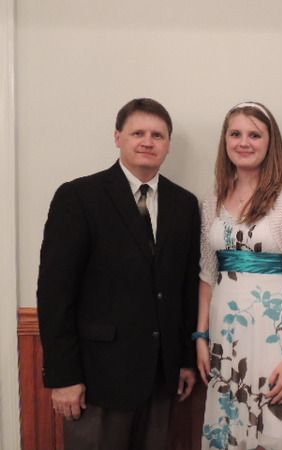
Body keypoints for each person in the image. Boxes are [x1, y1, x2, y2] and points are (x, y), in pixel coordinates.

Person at [37, 98, 200, 450]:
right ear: (118, 137)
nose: (147, 142)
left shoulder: (185, 204)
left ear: (169, 144)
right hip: (97, 379)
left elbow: (186, 289)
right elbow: (55, 293)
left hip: (161, 377)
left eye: (157, 135)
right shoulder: (79, 197)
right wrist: (64, 377)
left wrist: (186, 360)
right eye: (138, 133)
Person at [196, 101, 282, 449]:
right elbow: (207, 276)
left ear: (270, 142)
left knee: (276, 430)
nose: (244, 142)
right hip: (226, 341)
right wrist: (201, 336)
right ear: (225, 140)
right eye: (235, 134)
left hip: (277, 339)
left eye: (254, 135)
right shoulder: (213, 199)